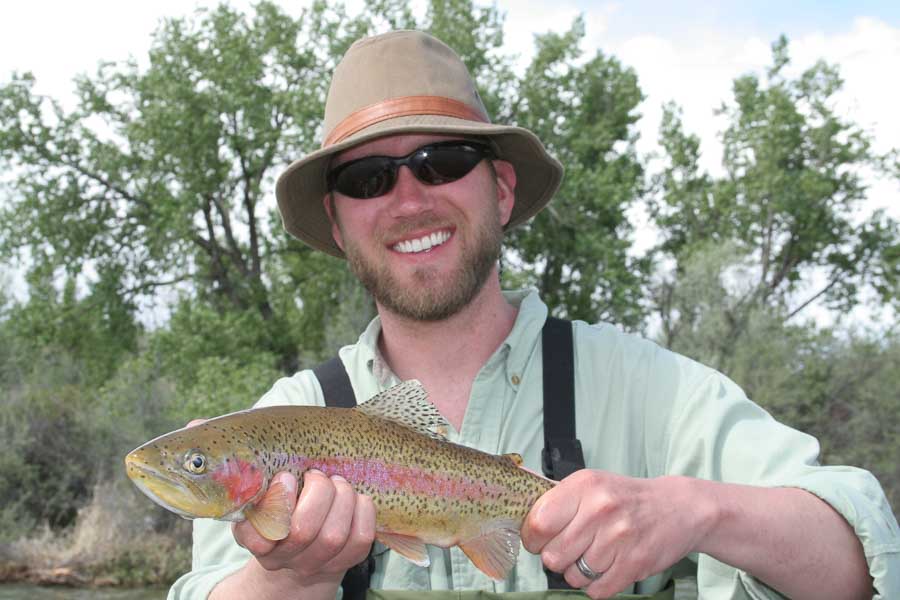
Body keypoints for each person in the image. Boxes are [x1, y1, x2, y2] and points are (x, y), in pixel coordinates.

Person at [168, 30, 899, 600]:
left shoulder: (647, 389)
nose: (410, 198)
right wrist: (289, 578)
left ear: (504, 191)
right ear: (336, 223)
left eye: (444, 160)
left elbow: (859, 562)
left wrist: (696, 511)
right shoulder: (285, 416)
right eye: (368, 177)